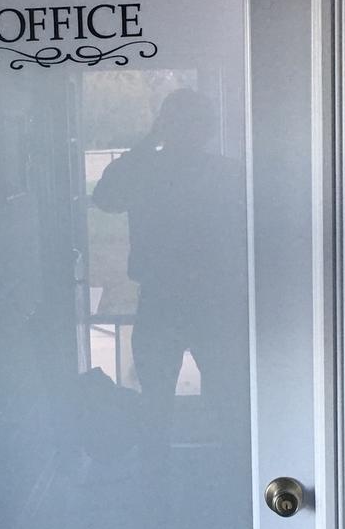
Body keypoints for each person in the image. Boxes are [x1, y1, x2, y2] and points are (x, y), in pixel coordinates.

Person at [91, 88, 246, 436]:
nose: (187, 130)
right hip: (178, 299)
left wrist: (150, 140)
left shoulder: (220, 173)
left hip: (199, 299)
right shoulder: (159, 171)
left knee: (215, 399)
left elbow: (105, 197)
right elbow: (105, 198)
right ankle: (214, 473)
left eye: (190, 123)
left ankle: (219, 470)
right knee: (175, 402)